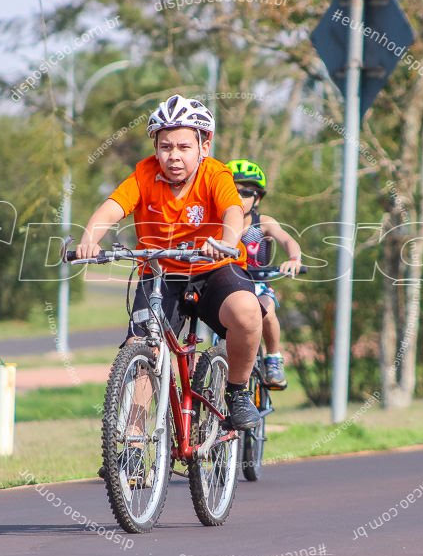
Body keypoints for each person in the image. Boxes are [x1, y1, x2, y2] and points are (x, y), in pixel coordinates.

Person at [75, 95, 263, 433]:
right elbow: (113, 207)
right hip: (161, 274)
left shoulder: (215, 174)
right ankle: (132, 444)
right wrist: (90, 237)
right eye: (165, 146)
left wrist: (227, 242)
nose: (173, 155)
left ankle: (237, 393)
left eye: (183, 146)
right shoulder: (144, 174)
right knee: (141, 349)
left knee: (248, 312)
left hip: (213, 270)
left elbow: (233, 212)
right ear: (155, 147)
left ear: (203, 146)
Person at [226, 159, 302, 389]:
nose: (239, 197)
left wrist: (293, 259)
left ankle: (273, 358)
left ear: (257, 198)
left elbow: (288, 240)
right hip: (228, 285)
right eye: (233, 191)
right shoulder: (220, 224)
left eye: (246, 193)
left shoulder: (263, 223)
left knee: (266, 311)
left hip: (258, 284)